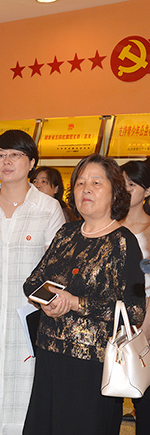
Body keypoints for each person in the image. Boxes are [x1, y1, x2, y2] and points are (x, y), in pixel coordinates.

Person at [22, 154, 146, 435]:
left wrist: (76, 303)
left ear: (115, 193)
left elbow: (134, 311)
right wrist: (49, 300)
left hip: (93, 367)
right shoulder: (66, 233)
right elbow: (32, 283)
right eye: (80, 183)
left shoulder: (123, 242)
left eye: (96, 183)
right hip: (50, 357)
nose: (86, 189)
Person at [0, 130, 65, 435]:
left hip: (27, 321)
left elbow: (56, 272)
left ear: (31, 162)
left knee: (24, 399)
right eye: (0, 155)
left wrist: (47, 309)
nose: (6, 161)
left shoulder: (47, 208)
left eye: (15, 155)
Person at [118, 160, 150, 434]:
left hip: (146, 322)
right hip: (112, 319)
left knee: (144, 398)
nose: (126, 189)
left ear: (147, 190)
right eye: (122, 183)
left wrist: (145, 325)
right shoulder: (108, 225)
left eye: (132, 184)